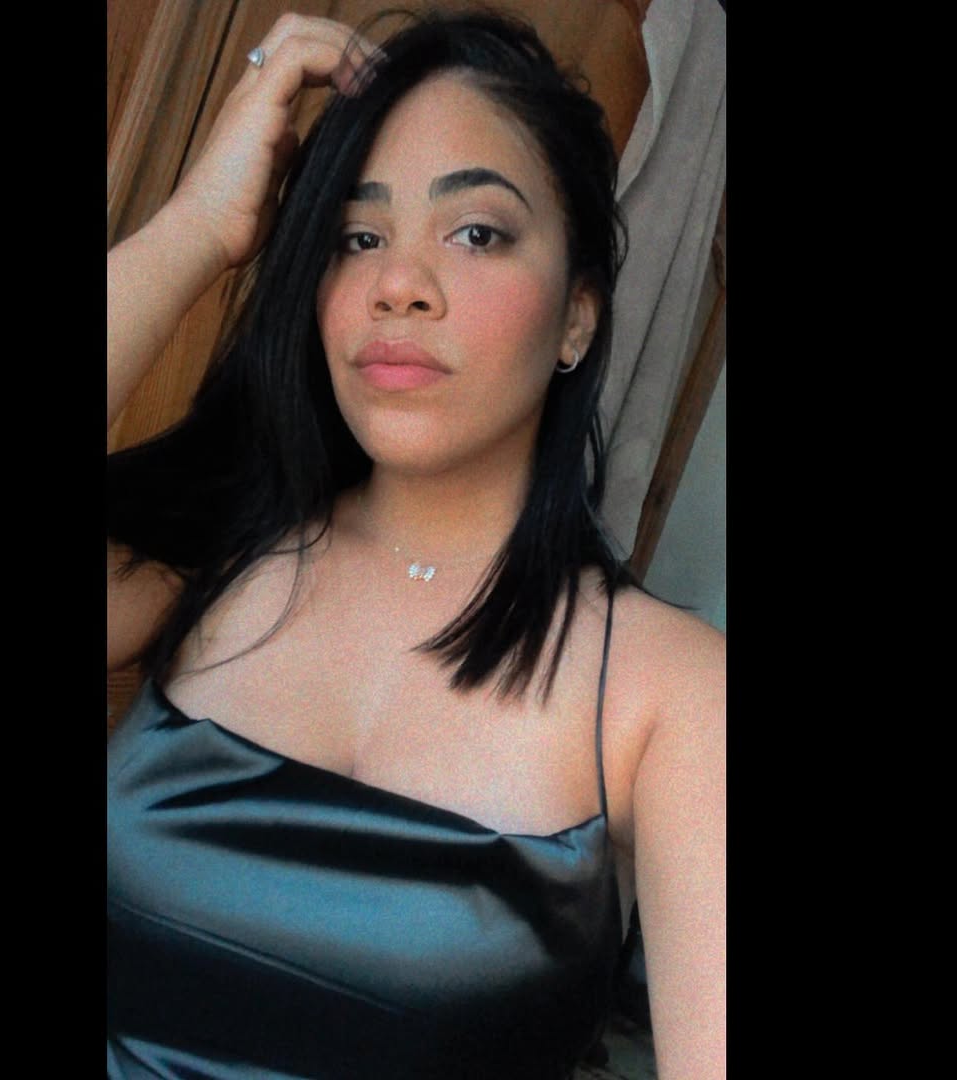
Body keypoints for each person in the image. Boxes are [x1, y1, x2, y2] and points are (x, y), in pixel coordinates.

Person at [107, 9, 725, 1079]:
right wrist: (200, 224)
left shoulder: (670, 692)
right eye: (358, 236)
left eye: (476, 232)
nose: (400, 283)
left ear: (578, 317)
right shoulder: (212, 557)